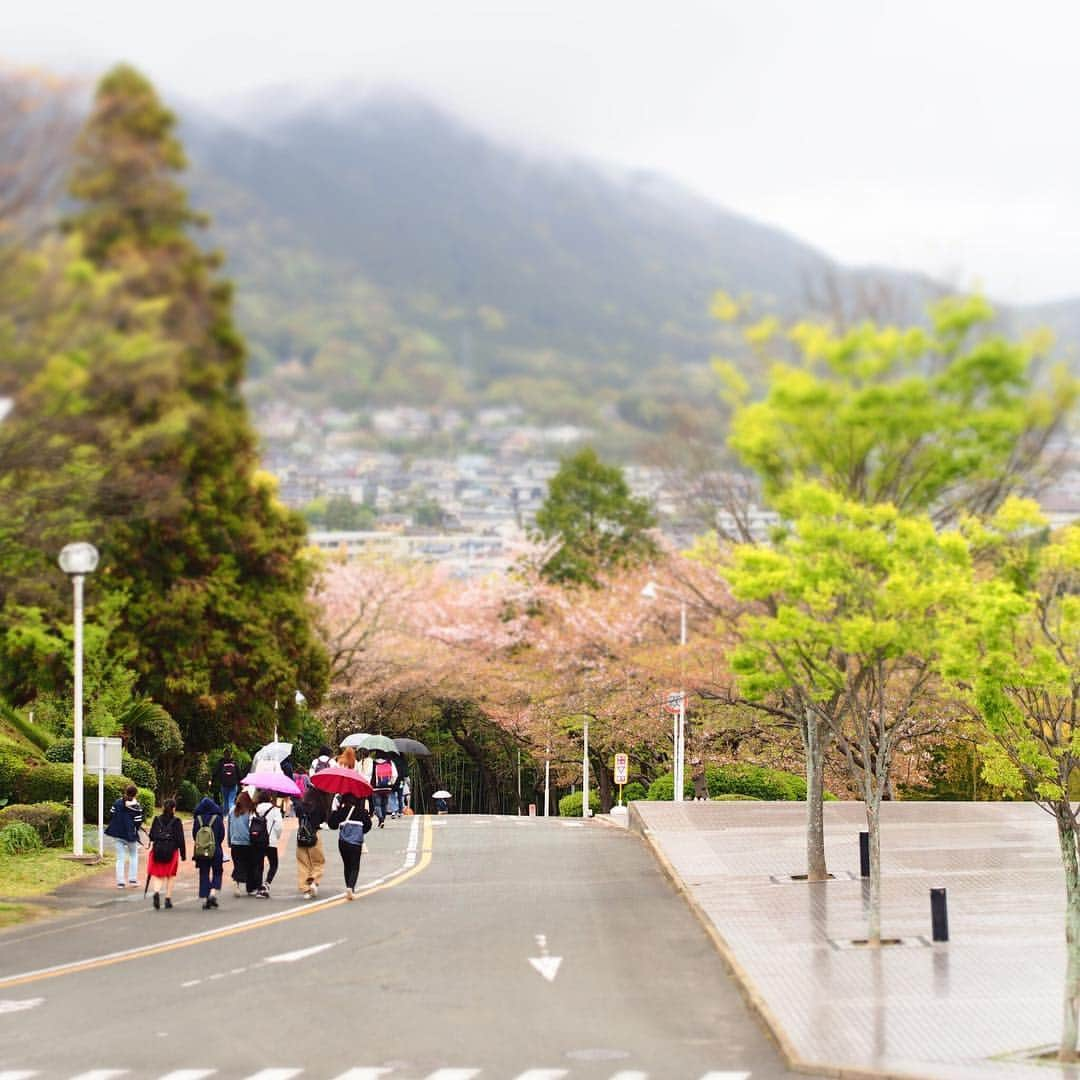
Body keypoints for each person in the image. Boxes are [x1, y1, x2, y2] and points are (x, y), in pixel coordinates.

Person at [328, 791, 372, 900]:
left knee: (347, 865)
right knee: (355, 865)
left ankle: (348, 884)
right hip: (356, 842)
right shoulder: (361, 812)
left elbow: (332, 824)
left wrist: (336, 811)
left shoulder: (341, 812)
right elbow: (368, 826)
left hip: (343, 842)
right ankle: (350, 887)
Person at [146, 799, 185, 910]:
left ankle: (157, 892)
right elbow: (180, 839)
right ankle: (168, 899)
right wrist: (183, 854)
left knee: (158, 874)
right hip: (172, 851)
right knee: (171, 875)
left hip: (157, 850)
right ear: (173, 808)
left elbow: (152, 836)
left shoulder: (157, 819)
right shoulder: (177, 821)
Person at [105, 784, 143, 889]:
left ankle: (120, 882)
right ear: (136, 794)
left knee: (120, 858)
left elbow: (111, 814)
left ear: (125, 792)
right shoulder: (137, 807)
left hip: (117, 833)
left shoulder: (117, 802)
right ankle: (133, 880)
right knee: (133, 856)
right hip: (130, 835)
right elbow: (138, 822)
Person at [247, 790, 283, 899]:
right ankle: (267, 883)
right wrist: (276, 836)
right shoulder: (275, 809)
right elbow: (279, 826)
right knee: (274, 864)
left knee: (258, 865)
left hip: (257, 841)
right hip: (270, 841)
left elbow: (250, 824)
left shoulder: (254, 809)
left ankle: (259, 888)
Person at [192, 795, 225, 909]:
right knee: (217, 872)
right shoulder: (218, 819)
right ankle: (212, 893)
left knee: (204, 873)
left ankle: (206, 898)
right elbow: (221, 835)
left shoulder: (198, 819)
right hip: (215, 850)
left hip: (201, 851)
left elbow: (194, 835)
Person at [294, 786, 326, 899]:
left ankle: (305, 889)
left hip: (301, 835)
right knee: (318, 861)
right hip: (314, 834)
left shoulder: (300, 806)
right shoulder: (319, 806)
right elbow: (323, 819)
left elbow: (298, 815)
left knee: (303, 863)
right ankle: (313, 879)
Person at [229, 790, 254, 897]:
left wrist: (229, 841)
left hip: (235, 842)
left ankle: (237, 885)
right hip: (247, 842)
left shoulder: (232, 811)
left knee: (237, 864)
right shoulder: (250, 812)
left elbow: (229, 828)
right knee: (248, 865)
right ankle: (249, 888)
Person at [213, 748, 241, 816]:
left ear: (224, 755)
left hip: (224, 784)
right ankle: (231, 815)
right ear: (231, 755)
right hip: (233, 785)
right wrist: (241, 783)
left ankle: (225, 815)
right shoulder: (234, 763)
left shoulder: (221, 763)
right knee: (231, 800)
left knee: (225, 801)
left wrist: (213, 780)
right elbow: (239, 774)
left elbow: (215, 773)